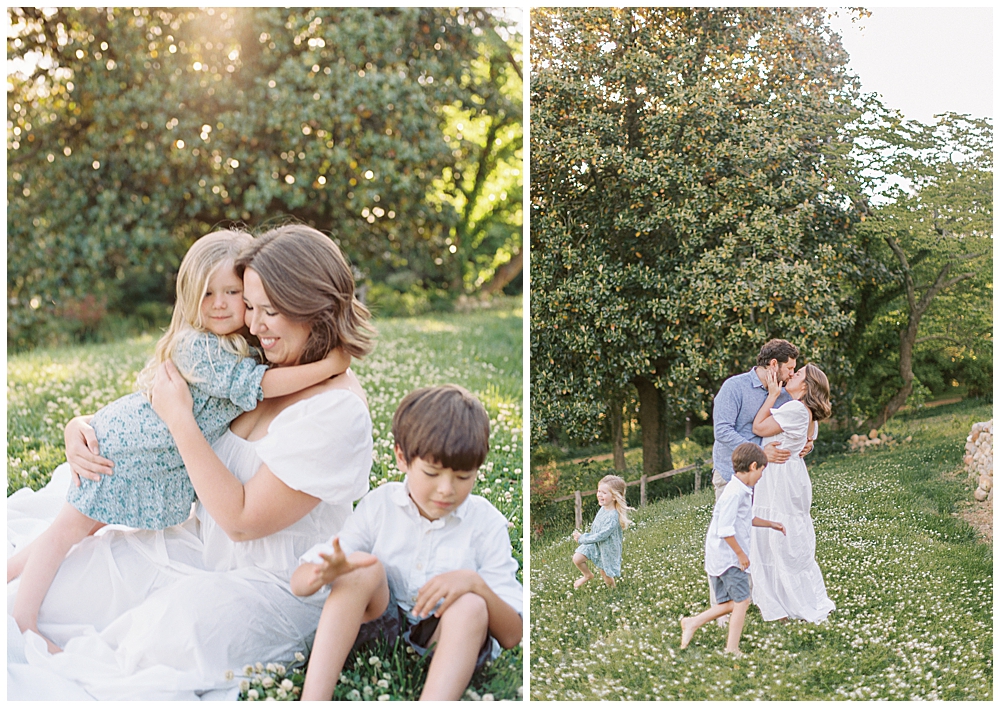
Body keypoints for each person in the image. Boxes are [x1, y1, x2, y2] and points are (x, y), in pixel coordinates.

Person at [6, 224, 376, 700]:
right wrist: (83, 425)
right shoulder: (256, 365)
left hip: (273, 581)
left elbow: (242, 521)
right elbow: (155, 406)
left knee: (157, 643)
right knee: (54, 598)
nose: (256, 324)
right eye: (253, 306)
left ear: (315, 307)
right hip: (195, 541)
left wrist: (179, 420)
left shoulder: (334, 409)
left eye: (271, 310)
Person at [291, 384, 522, 701]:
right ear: (402, 457)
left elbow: (511, 635)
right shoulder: (380, 505)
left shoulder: (486, 523)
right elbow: (301, 583)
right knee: (362, 567)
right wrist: (323, 574)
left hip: (447, 635)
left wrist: (474, 584)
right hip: (381, 627)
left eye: (463, 477)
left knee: (470, 604)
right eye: (431, 473)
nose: (446, 490)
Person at [680, 443, 786, 656]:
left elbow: (747, 518)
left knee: (731, 603)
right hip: (728, 556)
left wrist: (772, 524)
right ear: (753, 466)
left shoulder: (740, 490)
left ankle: (692, 622)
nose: (761, 477)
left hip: (721, 555)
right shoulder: (734, 494)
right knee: (742, 601)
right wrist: (741, 554)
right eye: (761, 472)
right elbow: (725, 529)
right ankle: (732, 648)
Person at [749, 362, 836, 623]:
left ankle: (783, 604)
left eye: (798, 374)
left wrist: (773, 395)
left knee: (776, 537)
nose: (792, 375)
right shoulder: (808, 413)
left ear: (806, 386)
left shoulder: (797, 408)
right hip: (791, 475)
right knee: (788, 536)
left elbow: (759, 428)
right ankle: (783, 598)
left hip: (780, 479)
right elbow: (806, 442)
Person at [571, 475, 632, 589]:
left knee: (605, 573)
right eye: (599, 491)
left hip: (607, 548)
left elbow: (602, 535)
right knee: (577, 558)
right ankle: (587, 575)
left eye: (604, 493)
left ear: (614, 497)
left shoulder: (613, 517)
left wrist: (582, 538)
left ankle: (613, 591)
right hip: (594, 543)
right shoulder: (603, 508)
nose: (599, 495)